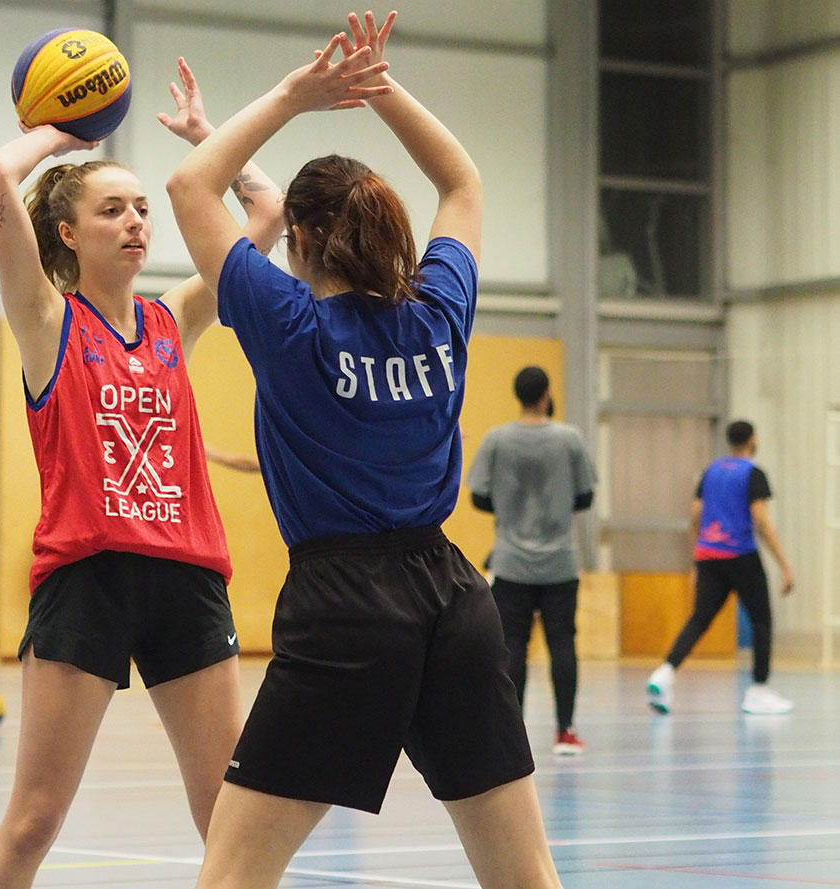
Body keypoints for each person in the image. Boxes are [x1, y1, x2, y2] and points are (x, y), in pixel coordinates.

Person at [166, 12, 563, 888]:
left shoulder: (291, 326)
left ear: (301, 243)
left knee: (232, 872)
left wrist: (293, 95)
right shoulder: (438, 310)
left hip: (345, 606)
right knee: (525, 873)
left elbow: (193, 186)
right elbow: (460, 179)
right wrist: (379, 86)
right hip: (455, 597)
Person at [0, 56, 284, 889]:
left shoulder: (174, 318)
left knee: (229, 819)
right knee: (34, 821)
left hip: (188, 577)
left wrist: (208, 139)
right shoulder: (47, 321)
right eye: (112, 210)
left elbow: (269, 211)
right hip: (88, 580)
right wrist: (64, 133)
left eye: (143, 208)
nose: (137, 222)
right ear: (68, 234)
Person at [466, 366, 597, 756]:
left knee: (512, 647)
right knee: (562, 642)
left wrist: (511, 510)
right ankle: (565, 731)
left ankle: (513, 733)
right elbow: (586, 496)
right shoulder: (569, 439)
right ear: (546, 395)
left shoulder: (497, 439)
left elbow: (478, 496)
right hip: (560, 561)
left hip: (510, 562)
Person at [648, 419, 795, 715]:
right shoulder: (753, 473)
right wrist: (784, 564)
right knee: (762, 621)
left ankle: (664, 674)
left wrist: (697, 560)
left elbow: (694, 517)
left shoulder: (710, 472)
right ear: (752, 439)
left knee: (699, 620)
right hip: (741, 555)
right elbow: (761, 520)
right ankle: (759, 690)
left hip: (709, 555)